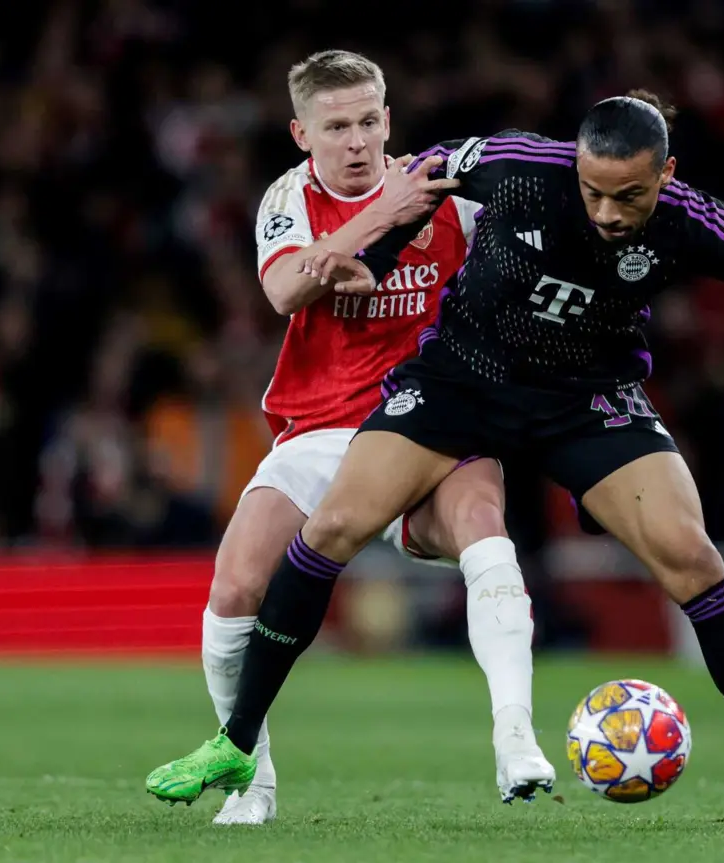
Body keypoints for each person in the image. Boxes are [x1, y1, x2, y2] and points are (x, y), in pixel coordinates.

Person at [147, 90, 724, 830]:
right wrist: (368, 258)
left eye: (628, 197)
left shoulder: (691, 223)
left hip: (587, 399)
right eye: (596, 193)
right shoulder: (520, 165)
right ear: (576, 168)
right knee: (332, 524)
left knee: (693, 558)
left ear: (665, 177)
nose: (607, 212)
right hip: (464, 380)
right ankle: (234, 741)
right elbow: (423, 174)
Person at [175, 50, 554, 825]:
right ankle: (254, 778)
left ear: (389, 118)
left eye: (370, 122)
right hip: (320, 428)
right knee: (235, 586)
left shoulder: (453, 195)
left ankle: (516, 736)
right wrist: (381, 217)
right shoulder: (288, 199)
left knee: (485, 525)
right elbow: (284, 289)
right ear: (301, 133)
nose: (357, 141)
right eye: (337, 126)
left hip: (427, 420)